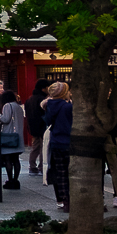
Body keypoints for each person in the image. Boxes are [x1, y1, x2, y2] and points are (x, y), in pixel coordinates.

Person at [41, 80, 73, 212]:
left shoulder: (49, 106)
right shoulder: (68, 107)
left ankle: (65, 200)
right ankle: (72, 199)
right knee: (71, 173)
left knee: (61, 173)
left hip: (55, 142)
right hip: (69, 141)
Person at [0, 90, 26, 190]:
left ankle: (10, 180)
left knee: (8, 159)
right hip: (18, 136)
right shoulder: (18, 106)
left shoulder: (7, 106)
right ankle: (15, 179)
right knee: (16, 159)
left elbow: (5, 119)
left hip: (8, 136)